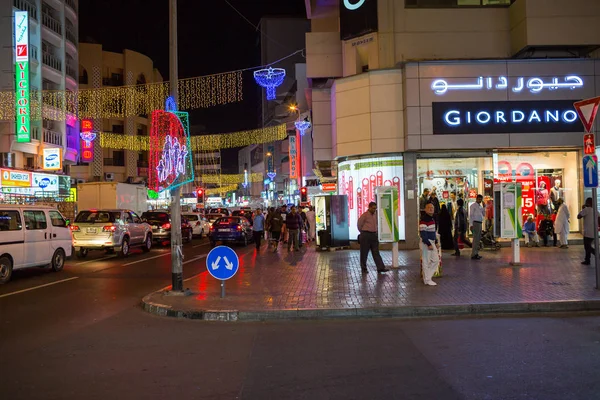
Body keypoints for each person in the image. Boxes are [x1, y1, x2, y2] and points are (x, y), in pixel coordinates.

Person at [357, 201, 389, 273]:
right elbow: (359, 224)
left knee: (376, 252)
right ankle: (364, 268)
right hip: (366, 235)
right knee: (364, 253)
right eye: (373, 208)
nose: (374, 210)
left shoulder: (375, 215)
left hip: (374, 235)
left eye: (375, 208)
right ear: (369, 207)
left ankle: (380, 267)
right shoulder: (364, 215)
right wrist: (363, 232)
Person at [420, 203, 439, 286]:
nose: (431, 209)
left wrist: (436, 241)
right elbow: (423, 233)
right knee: (426, 261)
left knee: (436, 260)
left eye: (432, 207)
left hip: (431, 241)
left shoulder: (432, 219)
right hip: (426, 242)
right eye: (429, 208)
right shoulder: (424, 219)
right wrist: (428, 243)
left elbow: (433, 232)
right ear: (425, 209)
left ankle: (427, 278)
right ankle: (427, 279)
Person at [577, 197, 596, 265]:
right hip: (594, 231)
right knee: (588, 246)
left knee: (587, 246)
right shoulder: (595, 210)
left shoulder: (586, 209)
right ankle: (587, 260)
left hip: (587, 232)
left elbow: (578, 216)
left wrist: (583, 209)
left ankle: (595, 255)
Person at [469, 194, 485, 260]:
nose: (480, 200)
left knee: (478, 239)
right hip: (475, 223)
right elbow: (471, 216)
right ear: (476, 198)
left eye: (481, 199)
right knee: (475, 239)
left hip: (480, 223)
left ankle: (476, 253)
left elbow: (483, 214)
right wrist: (471, 224)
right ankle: (473, 254)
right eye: (479, 199)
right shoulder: (473, 206)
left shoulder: (480, 207)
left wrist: (484, 207)